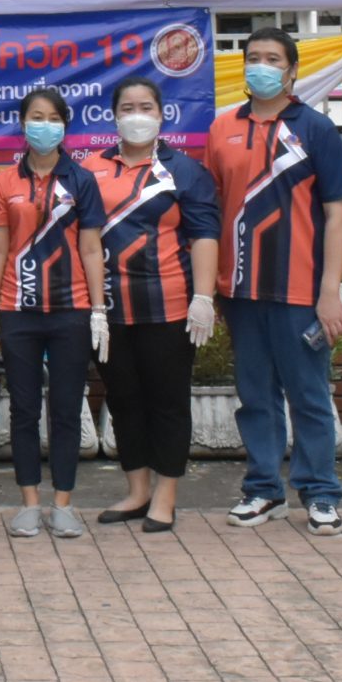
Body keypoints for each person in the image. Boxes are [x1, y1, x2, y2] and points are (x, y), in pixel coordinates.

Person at [203, 27, 342, 536]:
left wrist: (331, 290)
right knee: (255, 396)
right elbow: (212, 210)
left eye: (272, 59)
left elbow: (338, 214)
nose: (261, 66)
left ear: (292, 71)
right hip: (241, 289)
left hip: (301, 291)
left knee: (309, 395)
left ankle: (321, 492)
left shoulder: (315, 128)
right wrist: (214, 286)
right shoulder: (222, 128)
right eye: (253, 57)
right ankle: (263, 489)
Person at [85, 76, 220, 535]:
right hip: (109, 309)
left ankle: (166, 496)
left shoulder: (184, 171)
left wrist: (204, 298)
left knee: (167, 402)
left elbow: (204, 234)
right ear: (113, 116)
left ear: (162, 115)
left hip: (169, 306)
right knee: (123, 400)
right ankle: (137, 490)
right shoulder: (92, 168)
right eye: (128, 108)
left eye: (146, 107)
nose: (137, 116)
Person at [0, 87, 108, 539]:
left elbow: (91, 248)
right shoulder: (5, 182)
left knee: (67, 409)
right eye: (36, 116)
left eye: (53, 118)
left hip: (72, 310)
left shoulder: (82, 180)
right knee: (24, 409)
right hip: (18, 311)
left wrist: (98, 309)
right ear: (23, 123)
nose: (44, 125)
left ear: (65, 126)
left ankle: (63, 503)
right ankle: (29, 502)